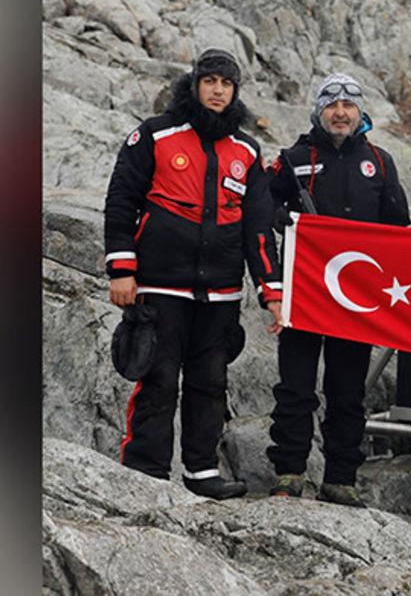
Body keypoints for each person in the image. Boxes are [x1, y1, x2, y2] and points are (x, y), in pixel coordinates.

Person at [103, 49, 283, 500]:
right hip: (160, 285)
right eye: (210, 81)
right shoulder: (155, 134)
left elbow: (259, 228)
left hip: (220, 292)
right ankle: (146, 473)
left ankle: (202, 471)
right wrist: (122, 269)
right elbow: (121, 201)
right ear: (195, 84)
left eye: (227, 83)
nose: (218, 90)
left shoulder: (247, 150)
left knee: (211, 383)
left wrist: (272, 292)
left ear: (235, 91)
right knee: (158, 379)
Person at [265, 72, 410, 506]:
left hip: (355, 299)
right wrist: (281, 219)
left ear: (359, 112)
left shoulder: (380, 162)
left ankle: (340, 478)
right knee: (295, 387)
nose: (341, 112)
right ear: (319, 111)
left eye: (348, 105)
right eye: (332, 105)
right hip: (305, 294)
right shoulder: (293, 158)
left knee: (348, 392)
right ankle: (290, 471)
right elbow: (261, 207)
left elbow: (398, 230)